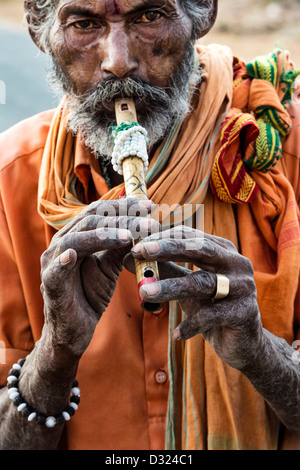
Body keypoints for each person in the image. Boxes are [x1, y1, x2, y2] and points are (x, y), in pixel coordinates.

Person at [0, 0, 299, 451]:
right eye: (84, 23)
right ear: (40, 29)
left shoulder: (281, 155)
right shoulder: (9, 180)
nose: (118, 61)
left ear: (203, 13)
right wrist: (55, 354)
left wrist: (261, 354)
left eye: (149, 16)